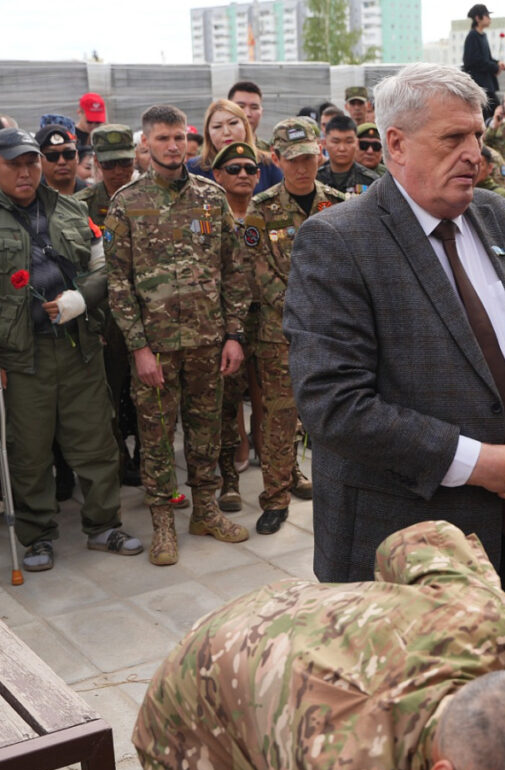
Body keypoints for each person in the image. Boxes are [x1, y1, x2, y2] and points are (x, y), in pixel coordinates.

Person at [283, 63, 505, 671]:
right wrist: (475, 463)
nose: (474, 154)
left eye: (478, 135)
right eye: (452, 138)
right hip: (400, 562)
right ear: (395, 143)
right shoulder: (338, 242)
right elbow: (334, 406)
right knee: (417, 727)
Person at [134, 519, 505, 770]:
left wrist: (384, 623)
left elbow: (415, 541)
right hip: (194, 720)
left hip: (287, 629)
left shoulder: (496, 628)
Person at [105, 104, 252, 566]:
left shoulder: (211, 198)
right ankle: (163, 524)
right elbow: (118, 283)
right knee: (156, 439)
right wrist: (138, 347)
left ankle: (205, 511)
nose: (173, 146)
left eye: (179, 137)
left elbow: (234, 269)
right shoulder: (127, 203)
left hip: (209, 342)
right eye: (163, 138)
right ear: (145, 143)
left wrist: (234, 334)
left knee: (207, 432)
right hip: (157, 349)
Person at [0, 127, 144, 572]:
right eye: (14, 164)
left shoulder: (71, 209)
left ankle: (103, 525)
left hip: (78, 347)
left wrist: (81, 298)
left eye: (31, 162)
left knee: (96, 442)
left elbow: (106, 268)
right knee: (29, 453)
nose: (26, 172)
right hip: (21, 357)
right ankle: (37, 536)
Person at [242, 119, 346, 535]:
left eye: (309, 158)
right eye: (292, 160)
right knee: (280, 415)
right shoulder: (261, 209)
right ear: (276, 159)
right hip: (279, 332)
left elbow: (348, 266)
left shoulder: (338, 204)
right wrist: (303, 311)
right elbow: (258, 271)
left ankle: (323, 484)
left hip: (333, 332)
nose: (302, 168)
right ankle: (275, 497)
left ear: (320, 155)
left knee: (332, 411)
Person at [75, 124, 142, 485]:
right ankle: (119, 461)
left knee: (148, 396)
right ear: (97, 164)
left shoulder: (149, 198)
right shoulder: (80, 207)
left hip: (148, 315)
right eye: (111, 164)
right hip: (107, 319)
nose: (119, 171)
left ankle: (147, 456)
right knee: (110, 397)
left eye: (126, 163)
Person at [210, 142, 263, 513]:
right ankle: (233, 462)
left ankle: (270, 453)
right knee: (229, 395)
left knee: (268, 393)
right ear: (218, 175)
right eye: (234, 169)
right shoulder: (209, 214)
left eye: (250, 168)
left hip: (266, 314)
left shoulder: (268, 210)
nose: (243, 174)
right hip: (226, 317)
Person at [186, 99, 282, 195]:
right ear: (208, 133)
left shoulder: (269, 164)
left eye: (233, 123)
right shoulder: (194, 167)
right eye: (217, 126)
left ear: (245, 126)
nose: (226, 132)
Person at [317, 114, 378, 195]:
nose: (342, 148)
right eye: (336, 142)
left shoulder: (372, 181)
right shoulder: (315, 179)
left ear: (356, 143)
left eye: (348, 142)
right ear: (324, 143)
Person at [462, 4, 505, 119]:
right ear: (478, 18)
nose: (489, 19)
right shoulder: (472, 36)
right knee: (492, 115)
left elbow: (487, 58)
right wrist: (495, 68)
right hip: (480, 85)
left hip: (487, 83)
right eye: (487, 15)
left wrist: (497, 63)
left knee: (496, 113)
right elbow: (473, 61)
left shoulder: (482, 35)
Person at [36, 125, 86, 196]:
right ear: (39, 160)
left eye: (69, 154)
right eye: (53, 156)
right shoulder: (30, 198)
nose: (62, 162)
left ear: (77, 156)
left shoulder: (95, 195)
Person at [227, 80, 269, 151]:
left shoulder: (270, 152)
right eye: (241, 106)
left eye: (254, 108)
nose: (247, 114)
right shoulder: (212, 151)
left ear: (261, 112)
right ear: (227, 109)